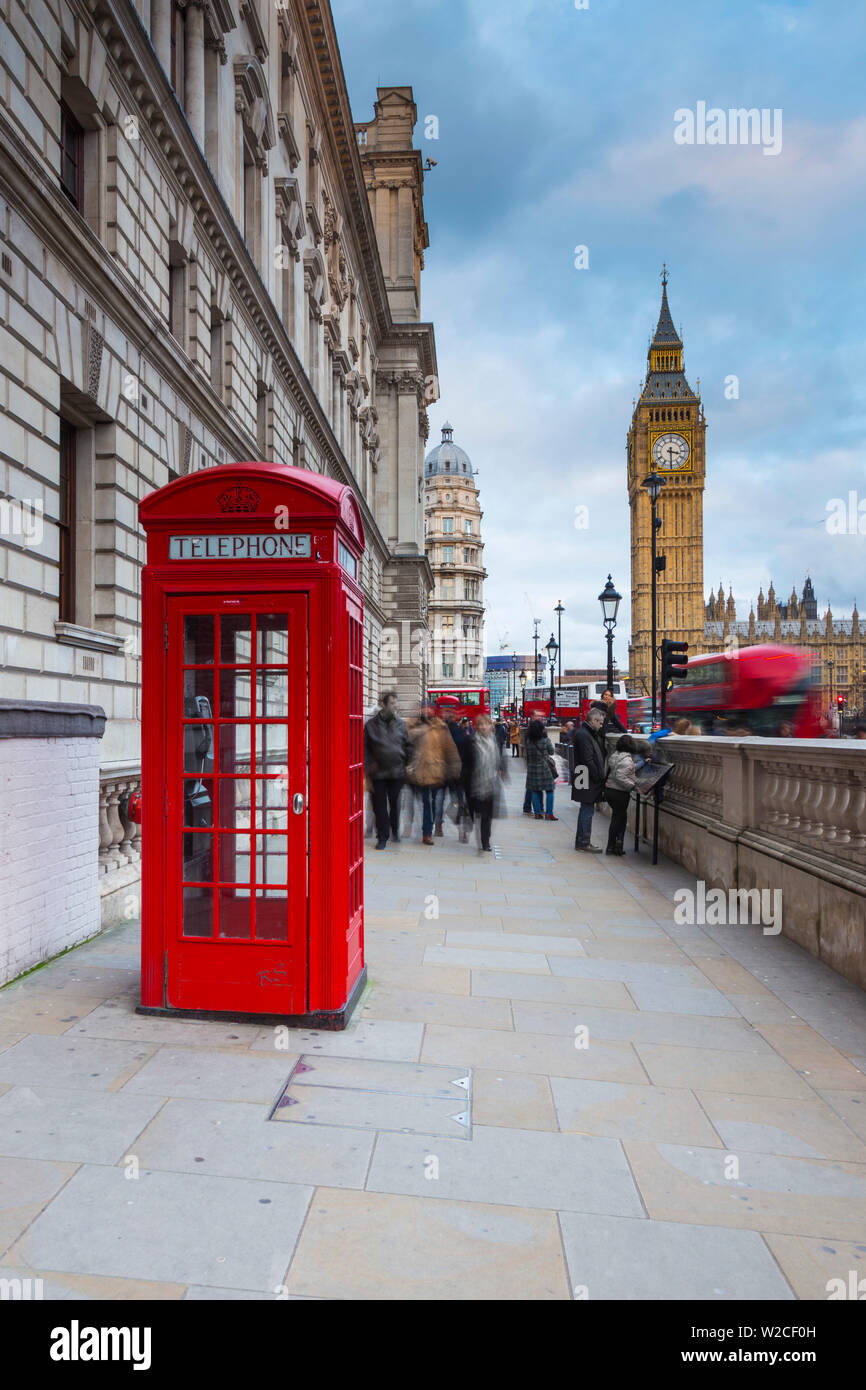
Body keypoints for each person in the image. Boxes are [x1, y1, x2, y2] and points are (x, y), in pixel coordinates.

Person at [406, 707, 461, 845]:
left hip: (436, 771)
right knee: (426, 803)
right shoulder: (413, 726)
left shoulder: (441, 727)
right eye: (423, 709)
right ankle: (427, 832)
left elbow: (450, 748)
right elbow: (405, 744)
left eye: (429, 709)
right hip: (419, 771)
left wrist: (455, 767)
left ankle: (430, 829)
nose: (426, 711)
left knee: (431, 803)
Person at [363, 691, 409, 849]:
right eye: (392, 703)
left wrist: (407, 763)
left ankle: (395, 830)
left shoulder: (401, 724)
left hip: (397, 771)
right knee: (379, 806)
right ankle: (382, 837)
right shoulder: (371, 725)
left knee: (395, 804)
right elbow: (364, 748)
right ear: (383, 704)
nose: (395, 706)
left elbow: (408, 745)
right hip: (378, 772)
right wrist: (369, 765)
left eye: (396, 703)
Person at [460, 713, 505, 851]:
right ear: (477, 727)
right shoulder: (470, 742)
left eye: (486, 724)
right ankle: (467, 826)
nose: (483, 727)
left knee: (487, 815)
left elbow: (499, 759)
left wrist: (501, 770)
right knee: (474, 814)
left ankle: (485, 842)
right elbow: (465, 764)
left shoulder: (495, 741)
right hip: (474, 784)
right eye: (480, 724)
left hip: (490, 783)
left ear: (490, 726)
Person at [571, 705, 607, 851]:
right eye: (600, 722)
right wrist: (598, 776)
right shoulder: (584, 735)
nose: (601, 725)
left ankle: (582, 841)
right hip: (586, 777)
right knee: (587, 810)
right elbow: (588, 759)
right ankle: (583, 842)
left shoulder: (586, 733)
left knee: (586, 809)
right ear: (593, 720)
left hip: (584, 776)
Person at [604, 733, 638, 856]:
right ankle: (611, 846)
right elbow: (620, 776)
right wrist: (632, 785)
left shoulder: (615, 755)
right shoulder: (627, 760)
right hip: (619, 793)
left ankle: (617, 845)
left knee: (619, 818)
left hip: (609, 790)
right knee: (618, 819)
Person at [524, 718, 558, 820]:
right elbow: (551, 752)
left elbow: (528, 756)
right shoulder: (545, 740)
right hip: (544, 768)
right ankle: (549, 813)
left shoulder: (528, 741)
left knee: (535, 791)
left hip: (532, 768)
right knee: (550, 791)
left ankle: (537, 813)